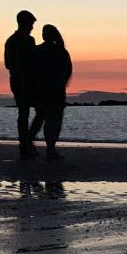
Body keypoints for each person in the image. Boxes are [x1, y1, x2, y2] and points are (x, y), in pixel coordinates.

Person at [32, 25, 73, 160]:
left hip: (53, 90)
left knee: (52, 120)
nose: (44, 34)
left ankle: (50, 148)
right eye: (43, 32)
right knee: (52, 120)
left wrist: (61, 82)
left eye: (46, 32)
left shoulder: (58, 50)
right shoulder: (42, 50)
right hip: (46, 91)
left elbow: (67, 70)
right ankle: (50, 148)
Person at [3, 10, 39, 158]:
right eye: (31, 24)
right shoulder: (12, 41)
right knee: (24, 113)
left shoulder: (30, 40)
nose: (32, 27)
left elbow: (36, 61)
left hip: (32, 81)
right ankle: (24, 145)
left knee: (40, 110)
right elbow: (8, 64)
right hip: (19, 81)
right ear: (24, 23)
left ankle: (27, 141)